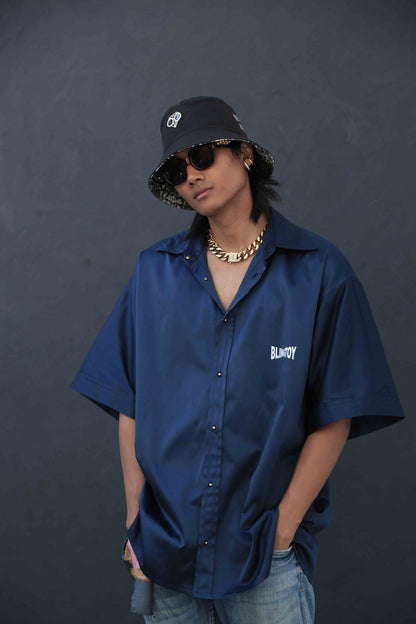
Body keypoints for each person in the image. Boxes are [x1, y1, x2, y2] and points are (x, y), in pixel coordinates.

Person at [70, 96, 405, 623]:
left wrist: (283, 530)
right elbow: (130, 400)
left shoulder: (319, 271)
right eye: (177, 170)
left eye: (202, 155)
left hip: (262, 558)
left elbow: (337, 411)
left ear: (244, 153)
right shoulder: (154, 272)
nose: (192, 176)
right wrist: (136, 521)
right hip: (166, 551)